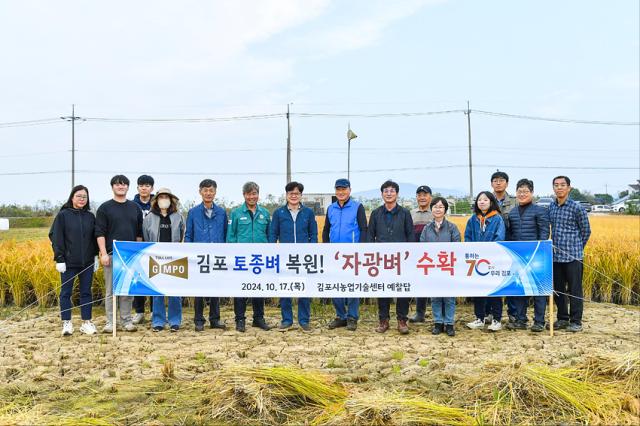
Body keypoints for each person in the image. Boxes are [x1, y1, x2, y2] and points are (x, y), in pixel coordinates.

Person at [95, 175, 143, 333]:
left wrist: (137, 254)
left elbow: (138, 233)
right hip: (111, 255)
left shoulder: (135, 208)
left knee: (127, 290)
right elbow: (100, 232)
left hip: (129, 256)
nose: (121, 187)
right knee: (111, 290)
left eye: (123, 185)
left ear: (128, 187)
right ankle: (110, 321)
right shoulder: (105, 208)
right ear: (112, 187)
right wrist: (103, 254)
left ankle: (126, 320)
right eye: (117, 185)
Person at [49, 185, 99, 336]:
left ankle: (86, 322)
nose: (82, 199)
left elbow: (94, 238)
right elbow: (56, 237)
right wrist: (59, 258)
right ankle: (66, 323)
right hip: (68, 262)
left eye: (84, 196)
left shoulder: (90, 216)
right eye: (79, 196)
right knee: (66, 292)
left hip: (87, 262)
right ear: (72, 197)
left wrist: (95, 256)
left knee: (86, 292)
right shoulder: (63, 215)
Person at [269, 181, 318, 331]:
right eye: (291, 193)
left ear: (301, 195)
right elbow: (273, 234)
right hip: (285, 257)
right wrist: (273, 251)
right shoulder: (279, 213)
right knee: (285, 288)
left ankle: (304, 321)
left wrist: (311, 250)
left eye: (297, 193)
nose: (294, 196)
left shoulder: (308, 213)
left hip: (303, 258)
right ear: (286, 195)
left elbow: (313, 234)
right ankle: (287, 320)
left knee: (304, 288)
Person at [367, 180, 414, 334]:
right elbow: (370, 237)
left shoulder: (405, 213)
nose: (389, 193)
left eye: (392, 191)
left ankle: (402, 320)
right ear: (382, 194)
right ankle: (383, 320)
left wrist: (409, 255)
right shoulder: (375, 213)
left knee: (402, 290)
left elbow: (410, 236)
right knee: (383, 289)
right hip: (381, 260)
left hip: (401, 259)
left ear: (397, 194)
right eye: (386, 191)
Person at [322, 178, 367, 331]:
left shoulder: (357, 207)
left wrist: (361, 250)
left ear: (349, 190)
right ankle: (341, 316)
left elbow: (364, 229)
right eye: (338, 189)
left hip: (352, 255)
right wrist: (326, 248)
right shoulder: (331, 208)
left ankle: (352, 317)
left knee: (353, 286)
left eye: (344, 189)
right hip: (334, 255)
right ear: (335, 191)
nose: (341, 192)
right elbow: (326, 230)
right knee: (336, 286)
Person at [506, 179, 550, 332]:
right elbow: (510, 235)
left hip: (537, 257)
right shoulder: (512, 213)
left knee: (538, 290)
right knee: (520, 288)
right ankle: (520, 319)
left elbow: (544, 234)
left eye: (525, 191)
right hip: (518, 256)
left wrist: (540, 252)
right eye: (519, 191)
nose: (522, 194)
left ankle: (539, 321)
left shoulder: (540, 211)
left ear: (532, 193)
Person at [227, 182, 272, 332]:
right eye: (248, 194)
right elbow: (231, 236)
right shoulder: (236, 213)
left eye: (254, 194)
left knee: (258, 288)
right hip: (242, 259)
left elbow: (269, 235)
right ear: (244, 195)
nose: (251, 197)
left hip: (259, 259)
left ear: (258, 195)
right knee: (241, 289)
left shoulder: (265, 213)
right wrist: (234, 255)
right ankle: (240, 319)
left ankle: (258, 318)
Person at [549, 176, 591, 332]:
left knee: (575, 289)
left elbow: (586, 231)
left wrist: (578, 247)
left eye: (562, 185)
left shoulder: (576, 207)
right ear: (553, 188)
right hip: (556, 256)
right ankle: (562, 318)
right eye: (556, 185)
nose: (559, 188)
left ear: (569, 188)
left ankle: (576, 321)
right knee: (558, 289)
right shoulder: (552, 207)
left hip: (573, 256)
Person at [185, 179, 227, 332]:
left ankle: (215, 319)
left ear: (215, 192)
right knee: (199, 289)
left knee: (216, 288)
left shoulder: (221, 212)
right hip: (199, 257)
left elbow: (225, 234)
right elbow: (188, 235)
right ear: (200, 192)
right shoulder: (193, 212)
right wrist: (189, 254)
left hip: (217, 257)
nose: (208, 193)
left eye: (211, 190)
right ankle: (198, 320)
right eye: (205, 190)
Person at [142, 188, 185, 332]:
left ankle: (174, 321)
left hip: (175, 258)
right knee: (157, 292)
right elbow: (146, 237)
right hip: (155, 259)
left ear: (171, 200)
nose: (164, 199)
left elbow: (182, 235)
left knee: (175, 292)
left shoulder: (178, 216)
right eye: (161, 197)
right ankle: (158, 321)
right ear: (156, 200)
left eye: (167, 197)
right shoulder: (149, 217)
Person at [419, 197, 461, 337]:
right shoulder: (426, 228)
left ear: (445, 210)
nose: (438, 209)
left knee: (449, 297)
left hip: (448, 266)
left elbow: (456, 246)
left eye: (441, 207)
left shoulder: (452, 228)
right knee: (435, 297)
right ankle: (437, 322)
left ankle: (449, 324)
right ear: (431, 209)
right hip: (432, 267)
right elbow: (422, 246)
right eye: (435, 207)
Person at [464, 191, 505, 332]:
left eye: (485, 199)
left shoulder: (497, 219)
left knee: (495, 290)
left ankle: (496, 319)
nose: (482, 202)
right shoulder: (472, 220)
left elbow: (499, 237)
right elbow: (468, 237)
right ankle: (479, 318)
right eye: (479, 200)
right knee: (479, 289)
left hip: (492, 259)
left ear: (491, 202)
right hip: (476, 260)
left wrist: (489, 250)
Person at [491, 170, 518, 324]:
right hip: (491, 248)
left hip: (509, 246)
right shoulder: (486, 199)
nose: (498, 182)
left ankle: (513, 313)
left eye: (501, 180)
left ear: (507, 183)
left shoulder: (514, 202)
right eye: (495, 180)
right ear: (491, 184)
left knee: (510, 280)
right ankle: (491, 313)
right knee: (492, 278)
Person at [132, 174, 154, 325]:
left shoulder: (157, 203)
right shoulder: (131, 205)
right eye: (141, 185)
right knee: (138, 278)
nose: (144, 188)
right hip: (137, 246)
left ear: (152, 188)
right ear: (137, 188)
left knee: (153, 277)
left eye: (147, 185)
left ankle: (154, 311)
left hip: (153, 246)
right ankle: (139, 311)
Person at [409, 185, 433, 323]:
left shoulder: (435, 211)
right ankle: (420, 313)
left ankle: (439, 314)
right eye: (419, 195)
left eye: (425, 194)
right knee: (419, 284)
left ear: (430, 196)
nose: (422, 197)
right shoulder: (411, 213)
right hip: (415, 254)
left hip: (432, 254)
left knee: (435, 283)